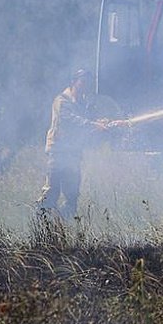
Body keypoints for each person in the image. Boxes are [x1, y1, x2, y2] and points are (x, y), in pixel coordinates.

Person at [36, 69, 122, 218]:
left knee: (72, 194)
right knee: (51, 192)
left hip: (73, 153)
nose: (85, 86)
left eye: (88, 83)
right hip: (58, 152)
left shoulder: (81, 103)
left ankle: (63, 225)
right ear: (73, 82)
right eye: (82, 82)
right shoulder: (62, 100)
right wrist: (93, 125)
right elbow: (72, 120)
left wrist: (103, 123)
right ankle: (40, 225)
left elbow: (89, 119)